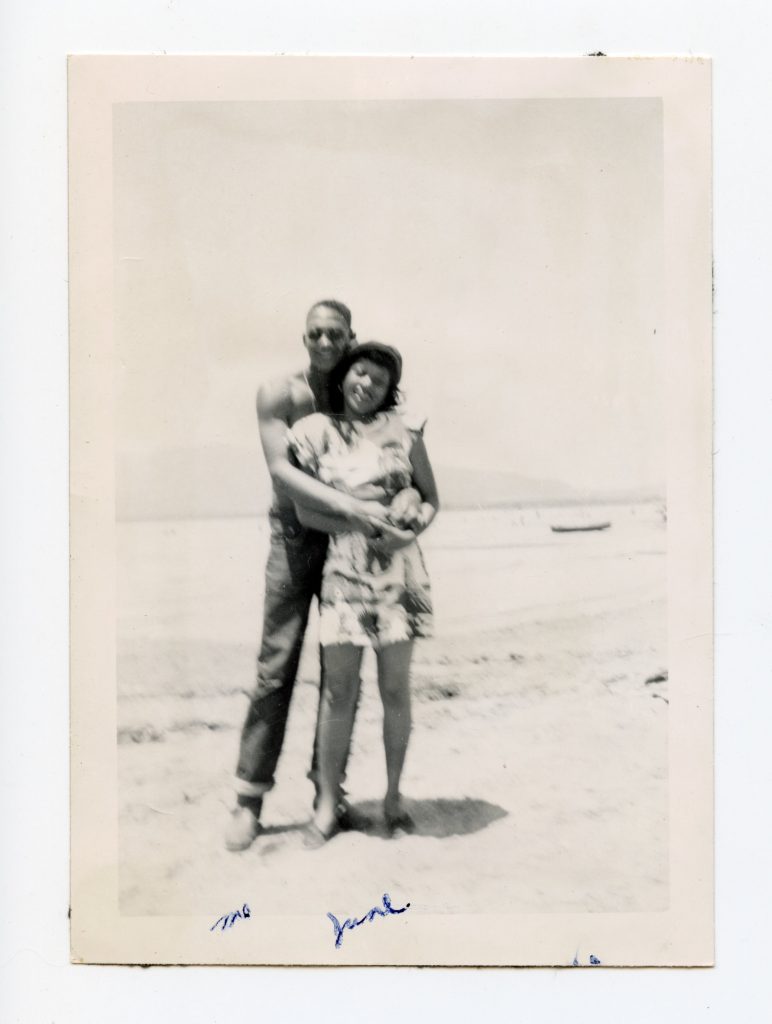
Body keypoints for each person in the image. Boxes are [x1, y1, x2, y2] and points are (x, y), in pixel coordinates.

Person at [225, 301, 412, 852]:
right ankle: (248, 798)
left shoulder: (360, 390)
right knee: (275, 665)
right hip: (295, 539)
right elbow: (281, 470)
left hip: (351, 550)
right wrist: (350, 508)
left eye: (336, 335)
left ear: (351, 337)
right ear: (302, 338)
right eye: (316, 334)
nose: (326, 344)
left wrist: (398, 507)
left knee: (339, 678)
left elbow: (398, 458)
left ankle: (326, 794)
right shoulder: (280, 394)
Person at [286, 341, 439, 843]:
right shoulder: (314, 433)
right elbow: (307, 513)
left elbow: (431, 499)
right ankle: (328, 804)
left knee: (396, 690)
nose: (365, 384)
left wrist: (409, 526)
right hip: (344, 571)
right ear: (343, 376)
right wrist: (365, 517)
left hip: (400, 570)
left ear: (388, 387)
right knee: (338, 693)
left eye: (377, 378)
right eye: (358, 373)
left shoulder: (406, 432)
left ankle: (394, 799)